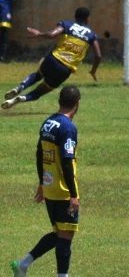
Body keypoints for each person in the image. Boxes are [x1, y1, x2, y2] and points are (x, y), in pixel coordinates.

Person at [10, 85, 82, 277]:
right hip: (63, 190)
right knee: (66, 236)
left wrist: (42, 183)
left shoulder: (48, 122)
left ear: (59, 101)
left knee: (60, 233)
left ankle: (23, 264)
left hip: (50, 187)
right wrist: (74, 195)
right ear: (77, 103)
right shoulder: (68, 128)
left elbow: (39, 154)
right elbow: (67, 162)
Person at [2, 8, 100, 110]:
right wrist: (93, 71)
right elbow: (98, 55)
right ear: (87, 18)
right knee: (39, 92)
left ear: (75, 16)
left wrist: (39, 34)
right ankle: (21, 98)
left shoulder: (67, 24)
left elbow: (52, 34)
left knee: (37, 75)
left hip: (52, 60)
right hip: (65, 69)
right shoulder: (91, 35)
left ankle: (20, 87)